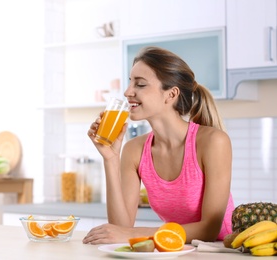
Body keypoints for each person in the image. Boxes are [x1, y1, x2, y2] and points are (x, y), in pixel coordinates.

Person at [83, 46, 234, 245]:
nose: (128, 92)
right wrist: (110, 159)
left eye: (140, 84)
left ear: (171, 95)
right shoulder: (134, 150)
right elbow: (121, 227)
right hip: (175, 250)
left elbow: (209, 229)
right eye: (130, 82)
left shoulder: (213, 142)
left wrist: (135, 234)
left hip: (222, 252)